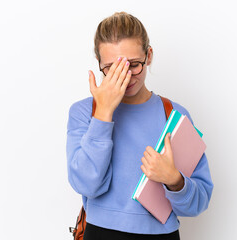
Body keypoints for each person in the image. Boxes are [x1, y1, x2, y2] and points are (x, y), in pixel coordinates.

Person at [66, 11, 213, 240]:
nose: (126, 77)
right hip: (100, 234)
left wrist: (174, 180)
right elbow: (86, 185)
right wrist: (104, 113)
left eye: (134, 65)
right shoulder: (85, 112)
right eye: (112, 69)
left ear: (149, 55)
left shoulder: (173, 115)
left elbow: (200, 201)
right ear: (99, 65)